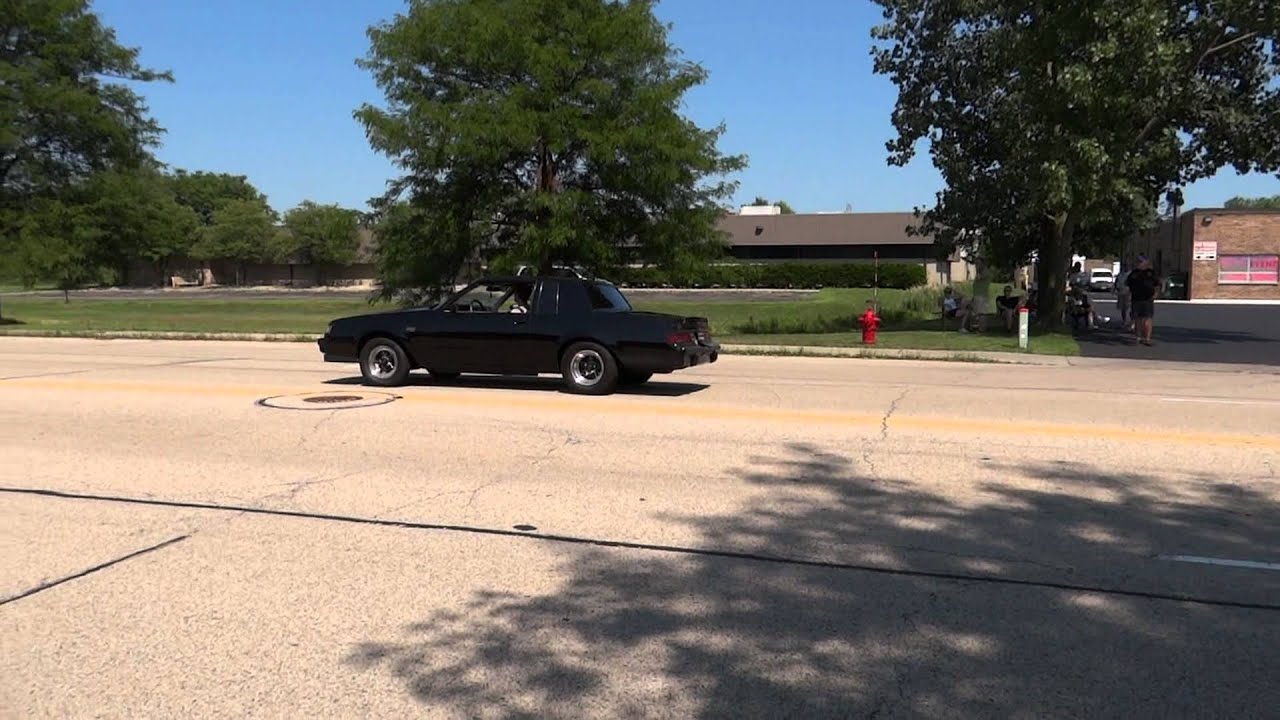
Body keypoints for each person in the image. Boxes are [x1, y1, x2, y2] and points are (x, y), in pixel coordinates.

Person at [1126, 256, 1159, 345]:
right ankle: (1138, 337)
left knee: (1147, 319)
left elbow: (1157, 284)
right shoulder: (1133, 273)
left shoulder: (1151, 273)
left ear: (1146, 262)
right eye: (1138, 262)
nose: (1139, 263)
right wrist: (1128, 296)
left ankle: (1147, 339)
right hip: (1136, 299)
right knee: (1138, 319)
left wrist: (1156, 294)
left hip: (1148, 299)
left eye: (1141, 262)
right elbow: (1128, 285)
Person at [1114, 263, 1132, 330]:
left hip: (1128, 292)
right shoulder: (1120, 274)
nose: (1125, 267)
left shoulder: (1130, 274)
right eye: (1124, 266)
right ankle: (1124, 321)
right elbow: (1116, 281)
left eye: (1127, 266)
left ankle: (1131, 322)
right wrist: (1116, 288)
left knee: (1129, 307)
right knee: (1122, 308)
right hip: (1121, 292)